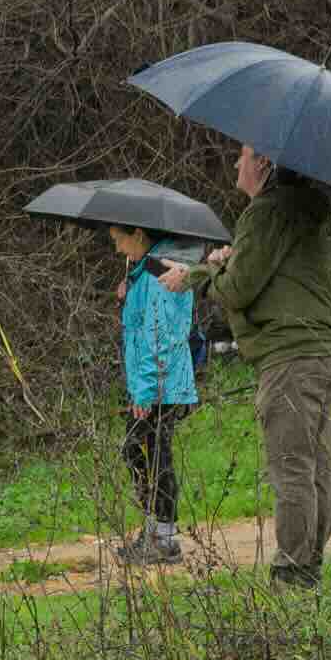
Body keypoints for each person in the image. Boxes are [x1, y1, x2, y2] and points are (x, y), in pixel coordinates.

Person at [212, 144, 331, 586]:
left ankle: (292, 572)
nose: (237, 164)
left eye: (243, 155)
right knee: (314, 468)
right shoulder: (306, 209)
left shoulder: (268, 211)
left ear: (264, 163)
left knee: (290, 468)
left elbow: (237, 291)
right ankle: (309, 567)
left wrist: (216, 271)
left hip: (289, 355)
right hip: (323, 352)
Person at [104, 221, 203, 564]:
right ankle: (154, 530)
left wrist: (144, 393)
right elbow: (139, 322)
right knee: (137, 452)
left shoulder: (159, 275)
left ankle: (164, 539)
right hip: (152, 385)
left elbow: (157, 339)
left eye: (120, 240)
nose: (118, 249)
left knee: (153, 455)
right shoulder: (145, 272)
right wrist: (129, 291)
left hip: (161, 386)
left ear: (139, 235)